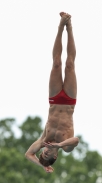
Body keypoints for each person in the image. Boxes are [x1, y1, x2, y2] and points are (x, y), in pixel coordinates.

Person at [25, 12, 79, 173]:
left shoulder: (43, 140)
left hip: (54, 99)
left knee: (56, 63)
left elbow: (28, 154)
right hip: (69, 101)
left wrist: (43, 165)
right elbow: (76, 140)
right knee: (69, 64)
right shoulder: (66, 147)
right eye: (47, 154)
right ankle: (69, 28)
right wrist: (60, 145)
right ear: (54, 156)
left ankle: (60, 26)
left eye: (43, 152)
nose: (45, 150)